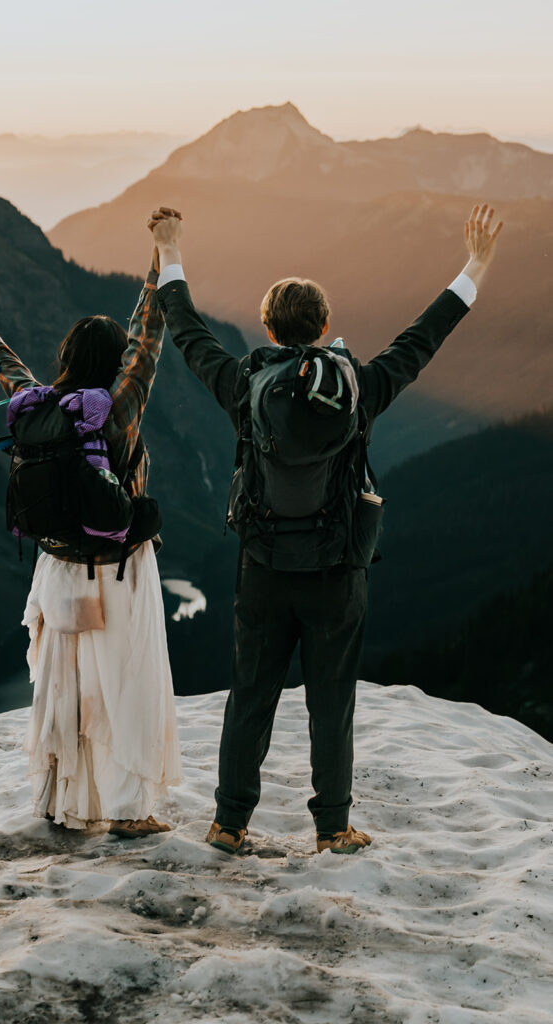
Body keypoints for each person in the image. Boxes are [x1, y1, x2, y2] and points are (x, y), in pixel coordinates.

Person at [149, 202, 503, 854]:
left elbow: (186, 328)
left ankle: (229, 823)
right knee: (331, 699)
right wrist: (476, 263)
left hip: (262, 568)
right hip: (337, 569)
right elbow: (423, 337)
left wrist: (168, 247)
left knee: (251, 695)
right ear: (326, 326)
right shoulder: (358, 389)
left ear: (267, 328)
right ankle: (333, 827)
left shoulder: (241, 385)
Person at [0, 244, 182, 838]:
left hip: (56, 568)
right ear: (114, 364)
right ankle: (129, 809)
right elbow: (147, 339)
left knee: (65, 686)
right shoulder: (118, 408)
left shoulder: (37, 405)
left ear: (68, 359)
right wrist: (160, 260)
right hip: (118, 568)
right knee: (126, 682)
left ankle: (58, 798)